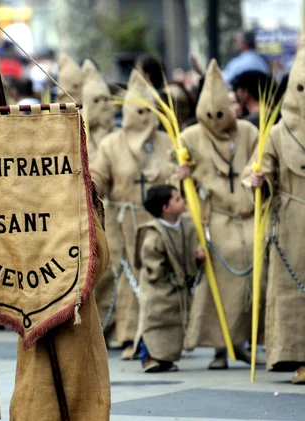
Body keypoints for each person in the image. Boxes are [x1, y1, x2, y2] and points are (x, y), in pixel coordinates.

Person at [177, 59, 260, 369]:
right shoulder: (190, 138)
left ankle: (248, 340)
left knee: (257, 266)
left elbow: (258, 164)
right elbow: (178, 185)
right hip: (215, 219)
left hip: (249, 216)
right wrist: (182, 173)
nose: (215, 119)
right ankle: (219, 347)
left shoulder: (249, 131)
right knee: (218, 277)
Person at [90, 70, 172, 359]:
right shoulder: (113, 143)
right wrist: (88, 184)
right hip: (122, 220)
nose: (143, 116)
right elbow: (98, 176)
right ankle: (128, 336)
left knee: (158, 278)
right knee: (125, 276)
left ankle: (161, 338)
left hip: (157, 221)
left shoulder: (166, 141)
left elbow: (175, 178)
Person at [9, 198, 112, 420]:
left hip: (76, 317)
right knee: (36, 394)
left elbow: (98, 255)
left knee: (79, 392)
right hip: (34, 313)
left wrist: (62, 291)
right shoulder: (19, 195)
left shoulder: (78, 194)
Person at [244, 46, 305, 384]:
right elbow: (260, 169)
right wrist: (258, 180)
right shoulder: (278, 133)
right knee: (292, 293)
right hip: (292, 224)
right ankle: (296, 355)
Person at [134, 185, 204, 372]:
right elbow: (151, 261)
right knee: (153, 321)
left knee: (173, 325)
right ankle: (147, 356)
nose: (182, 202)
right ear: (166, 208)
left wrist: (196, 257)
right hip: (158, 286)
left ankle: (165, 359)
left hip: (177, 287)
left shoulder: (186, 225)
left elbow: (190, 246)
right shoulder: (153, 233)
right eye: (177, 199)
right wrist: (164, 276)